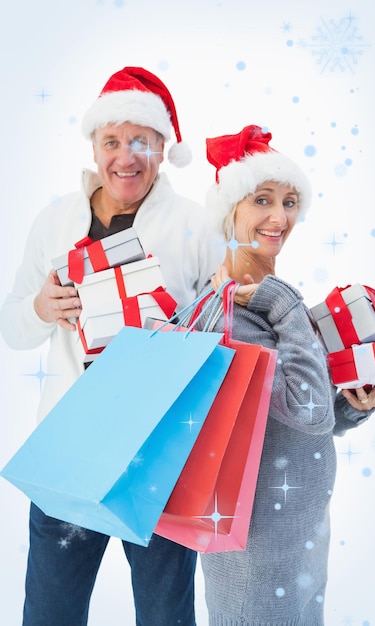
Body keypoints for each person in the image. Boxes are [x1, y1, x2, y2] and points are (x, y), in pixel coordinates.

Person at [0, 67, 223, 626]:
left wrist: (192, 324)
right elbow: (13, 327)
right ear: (95, 146)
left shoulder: (196, 226)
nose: (127, 157)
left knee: (165, 615)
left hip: (160, 455)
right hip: (68, 448)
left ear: (163, 146)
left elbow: (228, 337)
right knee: (50, 611)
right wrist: (40, 309)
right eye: (112, 141)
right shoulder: (55, 221)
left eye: (141, 141)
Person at [195, 125, 375, 626]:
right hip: (258, 558)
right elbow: (307, 411)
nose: (279, 217)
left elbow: (303, 417)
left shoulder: (260, 297)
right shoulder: (234, 314)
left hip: (298, 542)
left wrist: (353, 406)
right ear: (230, 212)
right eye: (262, 199)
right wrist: (285, 302)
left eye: (289, 201)